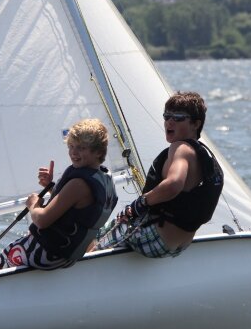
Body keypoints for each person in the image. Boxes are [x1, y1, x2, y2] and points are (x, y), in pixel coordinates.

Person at [93, 91, 223, 258]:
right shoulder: (203, 154)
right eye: (166, 116)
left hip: (154, 239)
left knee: (93, 237)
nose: (169, 121)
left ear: (196, 124)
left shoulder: (181, 149)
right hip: (179, 246)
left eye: (178, 117)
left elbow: (174, 184)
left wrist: (140, 203)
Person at [0, 118, 117, 271]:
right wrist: (51, 187)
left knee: (3, 258)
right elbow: (76, 207)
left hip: (47, 254)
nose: (74, 153)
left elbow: (42, 220)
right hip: (68, 257)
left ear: (99, 152)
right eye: (71, 146)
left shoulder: (78, 184)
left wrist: (33, 204)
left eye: (81, 148)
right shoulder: (103, 178)